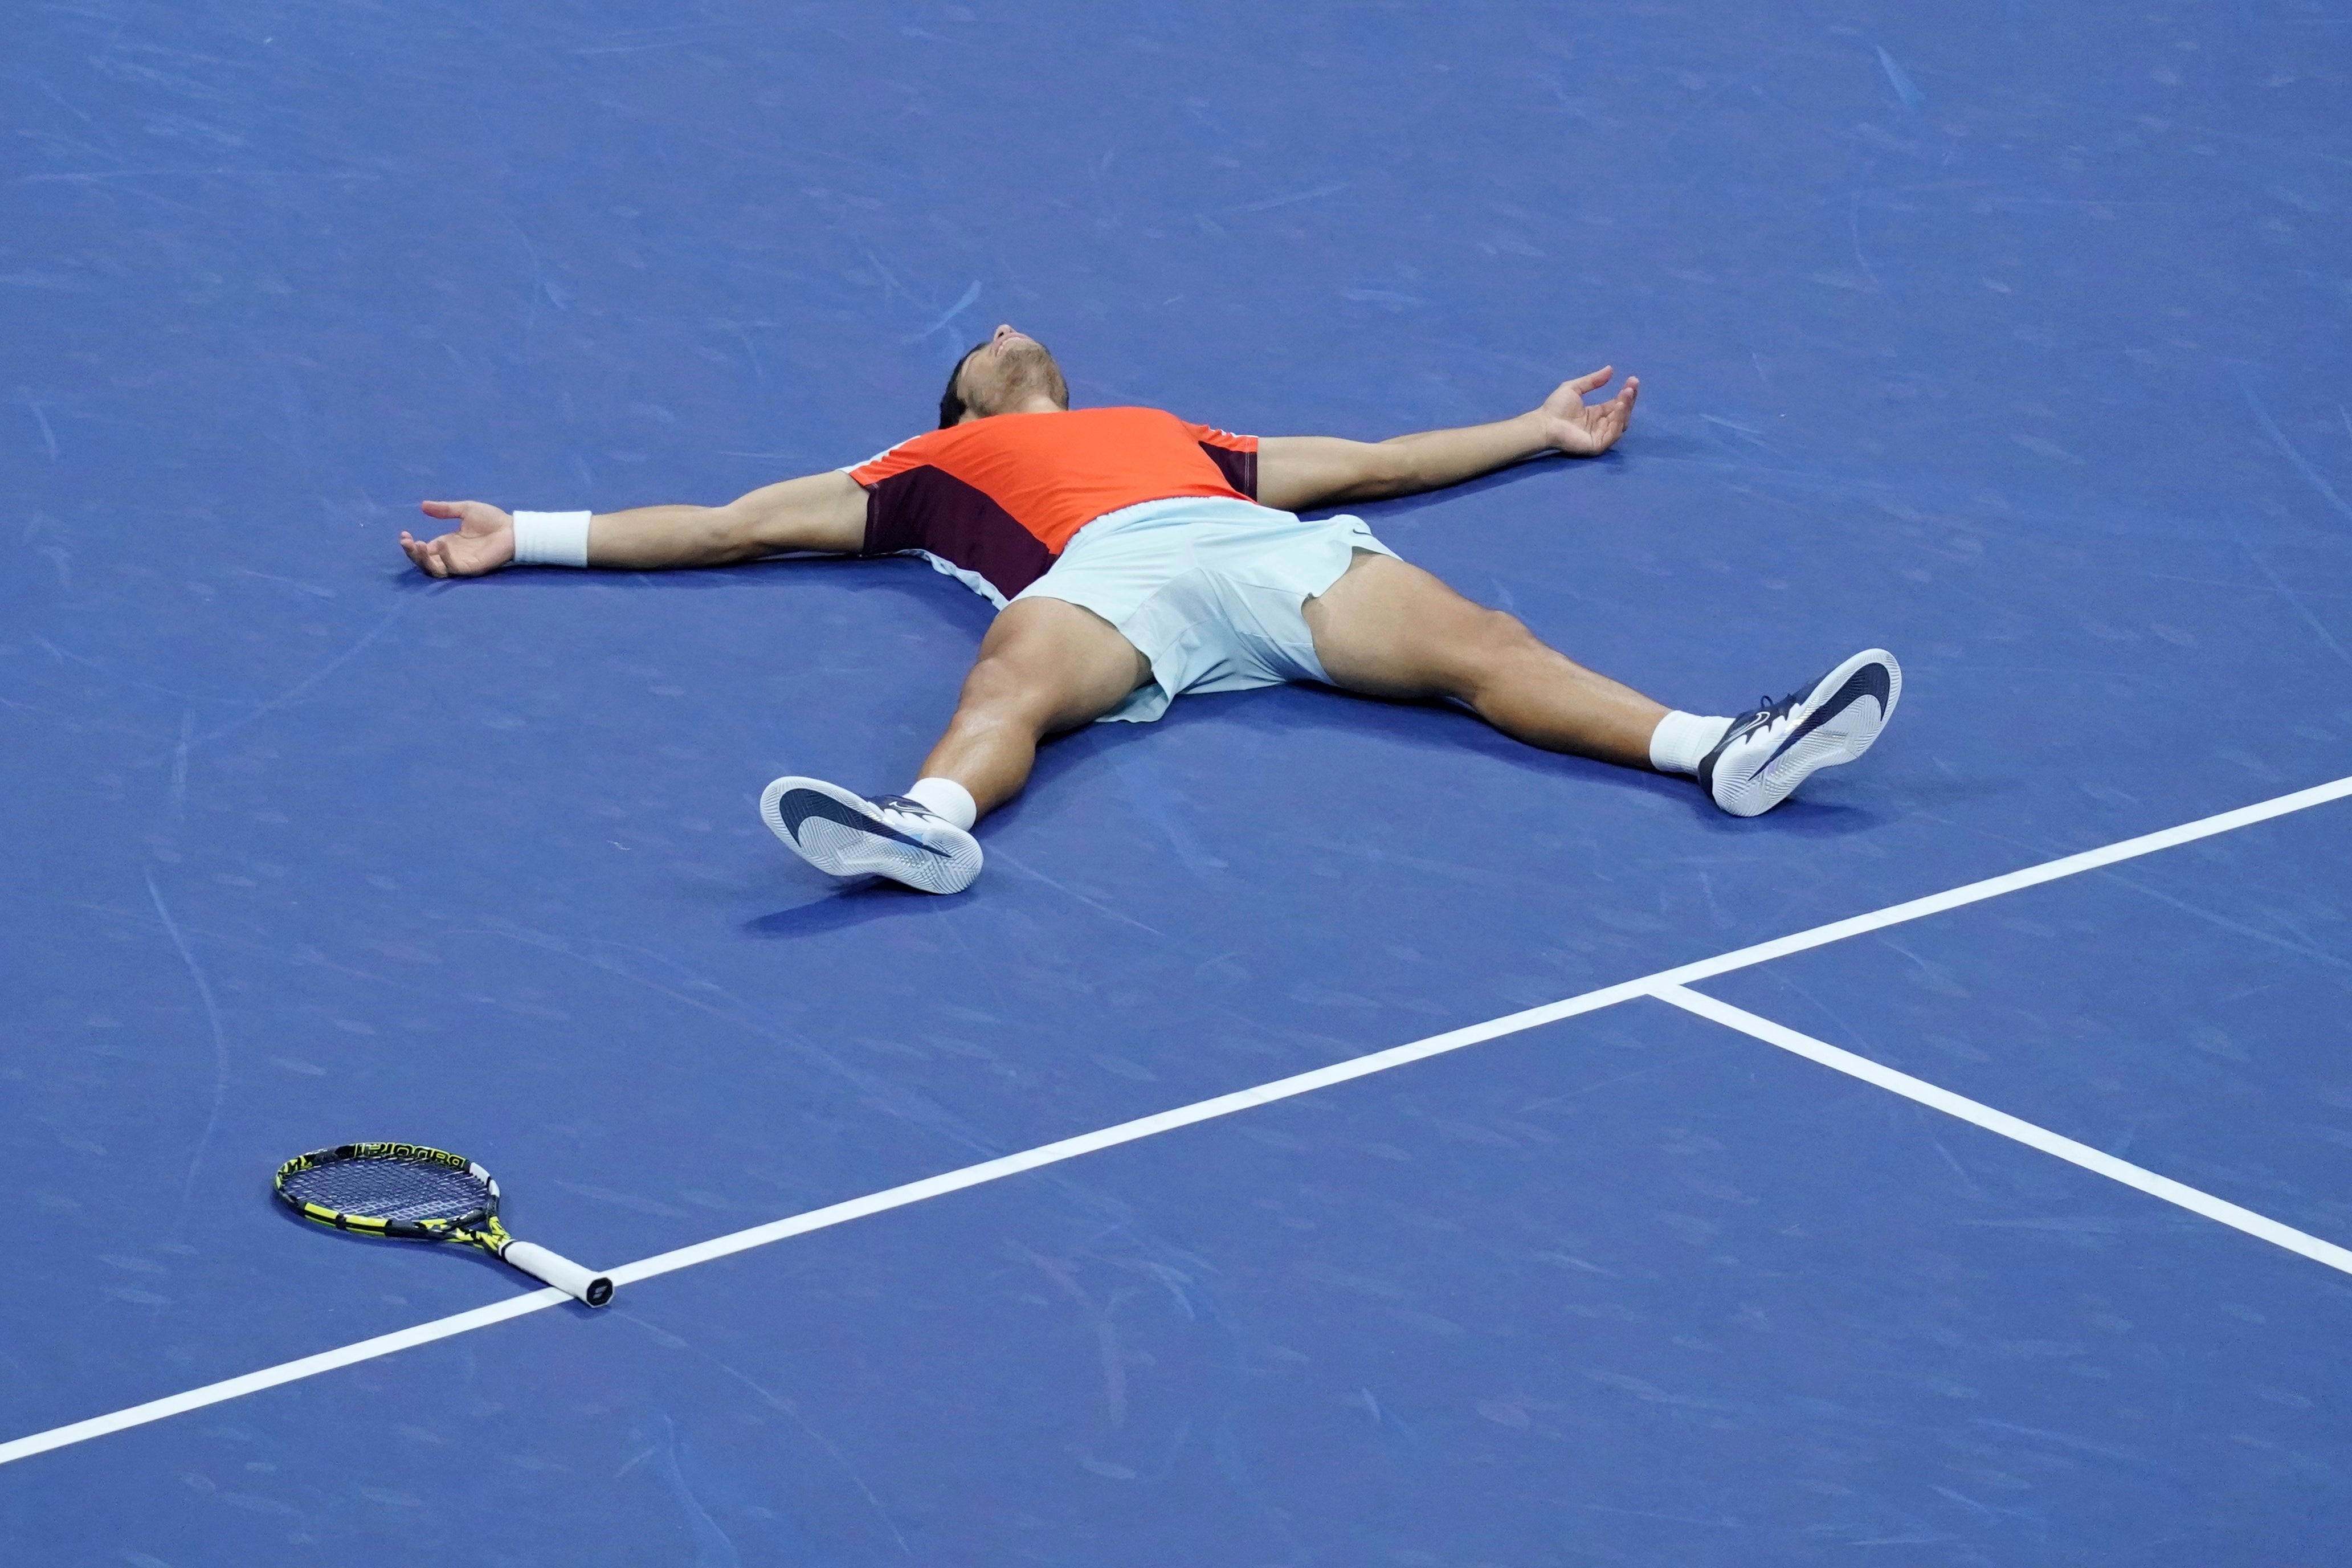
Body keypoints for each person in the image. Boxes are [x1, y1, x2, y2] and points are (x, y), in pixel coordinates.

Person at [402, 324, 1900, 896]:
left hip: (1248, 549)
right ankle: (928, 828)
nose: (1004, 330)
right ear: (963, 404)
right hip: (1103, 583)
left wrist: (1531, 428)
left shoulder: (1181, 429)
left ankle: (1719, 750)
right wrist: (523, 535)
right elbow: (731, 528)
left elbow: (1368, 460)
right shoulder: (924, 463)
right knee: (1010, 683)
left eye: (1011, 336)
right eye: (979, 347)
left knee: (1485, 653)